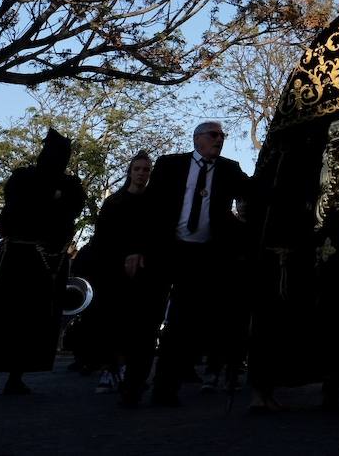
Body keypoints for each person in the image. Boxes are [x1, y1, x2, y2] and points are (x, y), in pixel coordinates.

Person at [124, 121, 252, 408]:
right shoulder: (170, 165)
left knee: (181, 326)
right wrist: (136, 248)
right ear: (197, 139)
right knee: (147, 320)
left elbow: (255, 190)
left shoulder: (229, 169)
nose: (219, 139)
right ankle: (132, 387)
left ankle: (165, 389)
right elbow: (148, 208)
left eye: (222, 136)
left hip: (200, 258)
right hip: (163, 251)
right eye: (214, 135)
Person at [0, 127, 85, 395]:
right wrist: (50, 198)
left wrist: (50, 200)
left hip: (49, 261)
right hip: (15, 256)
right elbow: (17, 207)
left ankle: (16, 376)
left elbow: (71, 209)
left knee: (34, 319)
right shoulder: (23, 178)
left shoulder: (70, 185)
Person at [89, 152, 155, 394]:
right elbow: (102, 239)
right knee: (112, 322)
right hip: (113, 272)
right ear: (130, 171)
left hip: (143, 273)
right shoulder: (114, 203)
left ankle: (130, 370)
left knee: (136, 325)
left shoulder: (154, 203)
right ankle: (110, 369)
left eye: (146, 169)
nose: (141, 173)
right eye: (137, 169)